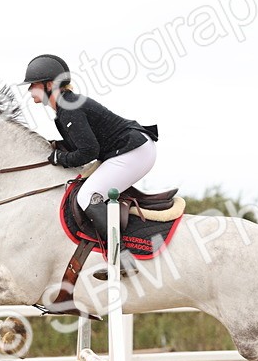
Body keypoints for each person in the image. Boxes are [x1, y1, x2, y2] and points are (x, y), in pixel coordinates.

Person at [19, 54, 159, 248]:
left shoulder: (69, 108)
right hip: (131, 149)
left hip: (133, 151)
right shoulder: (66, 105)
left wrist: (60, 157)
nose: (29, 89)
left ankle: (122, 256)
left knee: (87, 196)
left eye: (33, 84)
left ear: (49, 85)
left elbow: (89, 152)